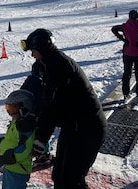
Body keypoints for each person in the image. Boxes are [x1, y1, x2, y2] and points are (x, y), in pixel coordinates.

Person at [21, 29, 107, 188]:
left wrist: (42, 136)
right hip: (73, 126)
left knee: (70, 180)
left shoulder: (59, 67)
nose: (32, 55)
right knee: (60, 175)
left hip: (87, 128)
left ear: (42, 48)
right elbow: (36, 91)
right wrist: (20, 103)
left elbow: (54, 106)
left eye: (33, 51)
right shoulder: (46, 63)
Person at [0, 89, 37, 189]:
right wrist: (0, 142)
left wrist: (3, 159)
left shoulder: (27, 127)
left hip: (18, 169)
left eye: (13, 108)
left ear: (24, 107)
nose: (10, 112)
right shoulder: (18, 120)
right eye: (8, 108)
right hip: (11, 167)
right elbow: (13, 140)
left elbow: (23, 149)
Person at [111, 10, 138, 102]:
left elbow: (114, 29)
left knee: (127, 73)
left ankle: (125, 93)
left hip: (127, 52)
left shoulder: (124, 26)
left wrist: (123, 39)